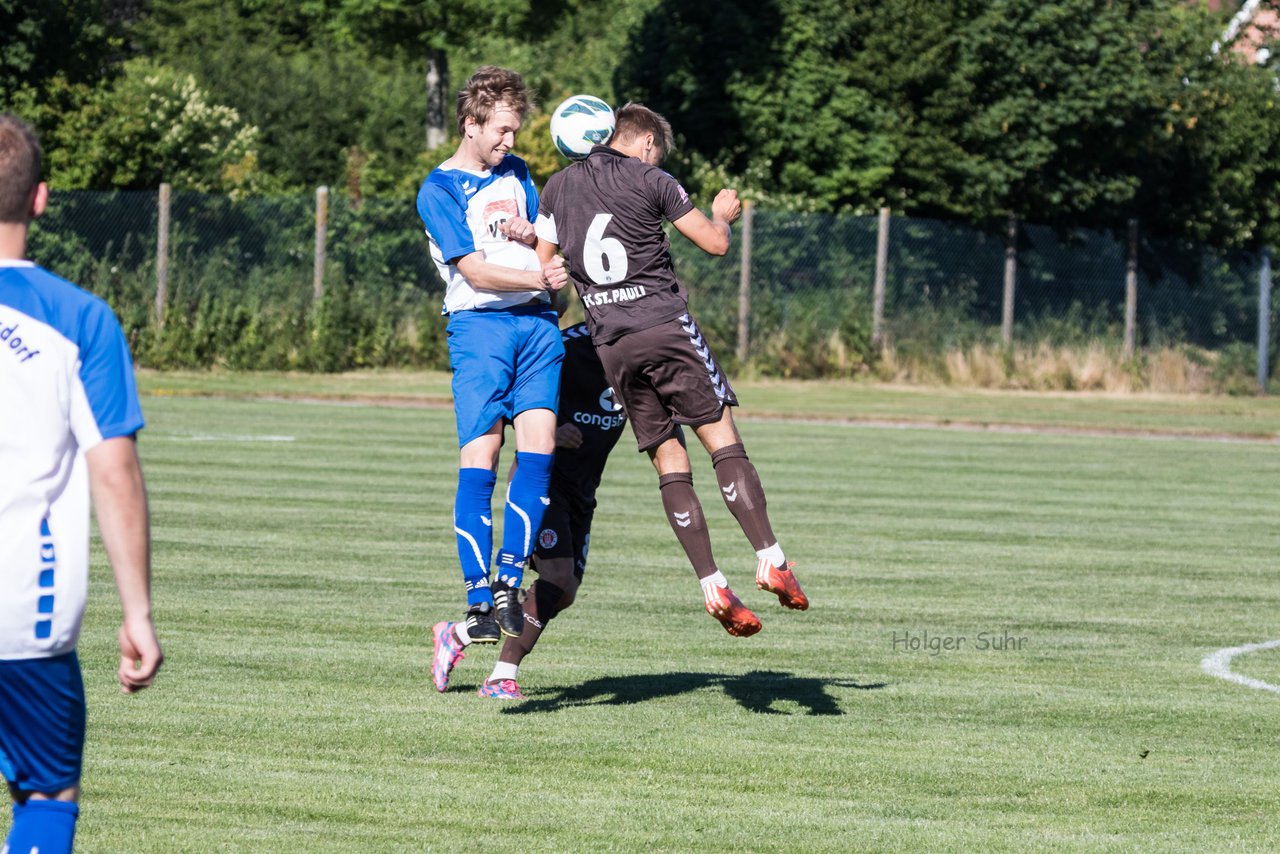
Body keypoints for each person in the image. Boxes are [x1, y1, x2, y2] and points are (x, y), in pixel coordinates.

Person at [534, 103, 809, 637]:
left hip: (610, 342)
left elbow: (544, 269)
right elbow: (714, 244)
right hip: (664, 324)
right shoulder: (651, 177)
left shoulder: (555, 189)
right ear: (644, 143)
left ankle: (711, 583)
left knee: (668, 457)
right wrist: (723, 214)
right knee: (723, 442)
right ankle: (770, 557)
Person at [0, 114, 163, 854]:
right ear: (40, 199)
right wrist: (138, 613)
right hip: (21, 609)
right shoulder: (81, 321)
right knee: (46, 791)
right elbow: (113, 468)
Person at [416, 66, 570, 643]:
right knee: (480, 459)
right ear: (470, 123)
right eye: (502, 131)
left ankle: (508, 579)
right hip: (480, 332)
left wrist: (536, 242)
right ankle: (477, 596)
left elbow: (537, 242)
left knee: (540, 452)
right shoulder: (439, 190)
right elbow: (475, 272)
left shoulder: (520, 173)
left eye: (515, 130)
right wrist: (539, 278)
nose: (510, 141)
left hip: (537, 328)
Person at [432, 322, 627, 699]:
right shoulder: (566, 347)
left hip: (584, 491)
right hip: (544, 483)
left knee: (564, 591)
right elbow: (503, 400)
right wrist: (551, 433)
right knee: (556, 575)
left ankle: (456, 633)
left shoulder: (637, 350)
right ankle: (501, 677)